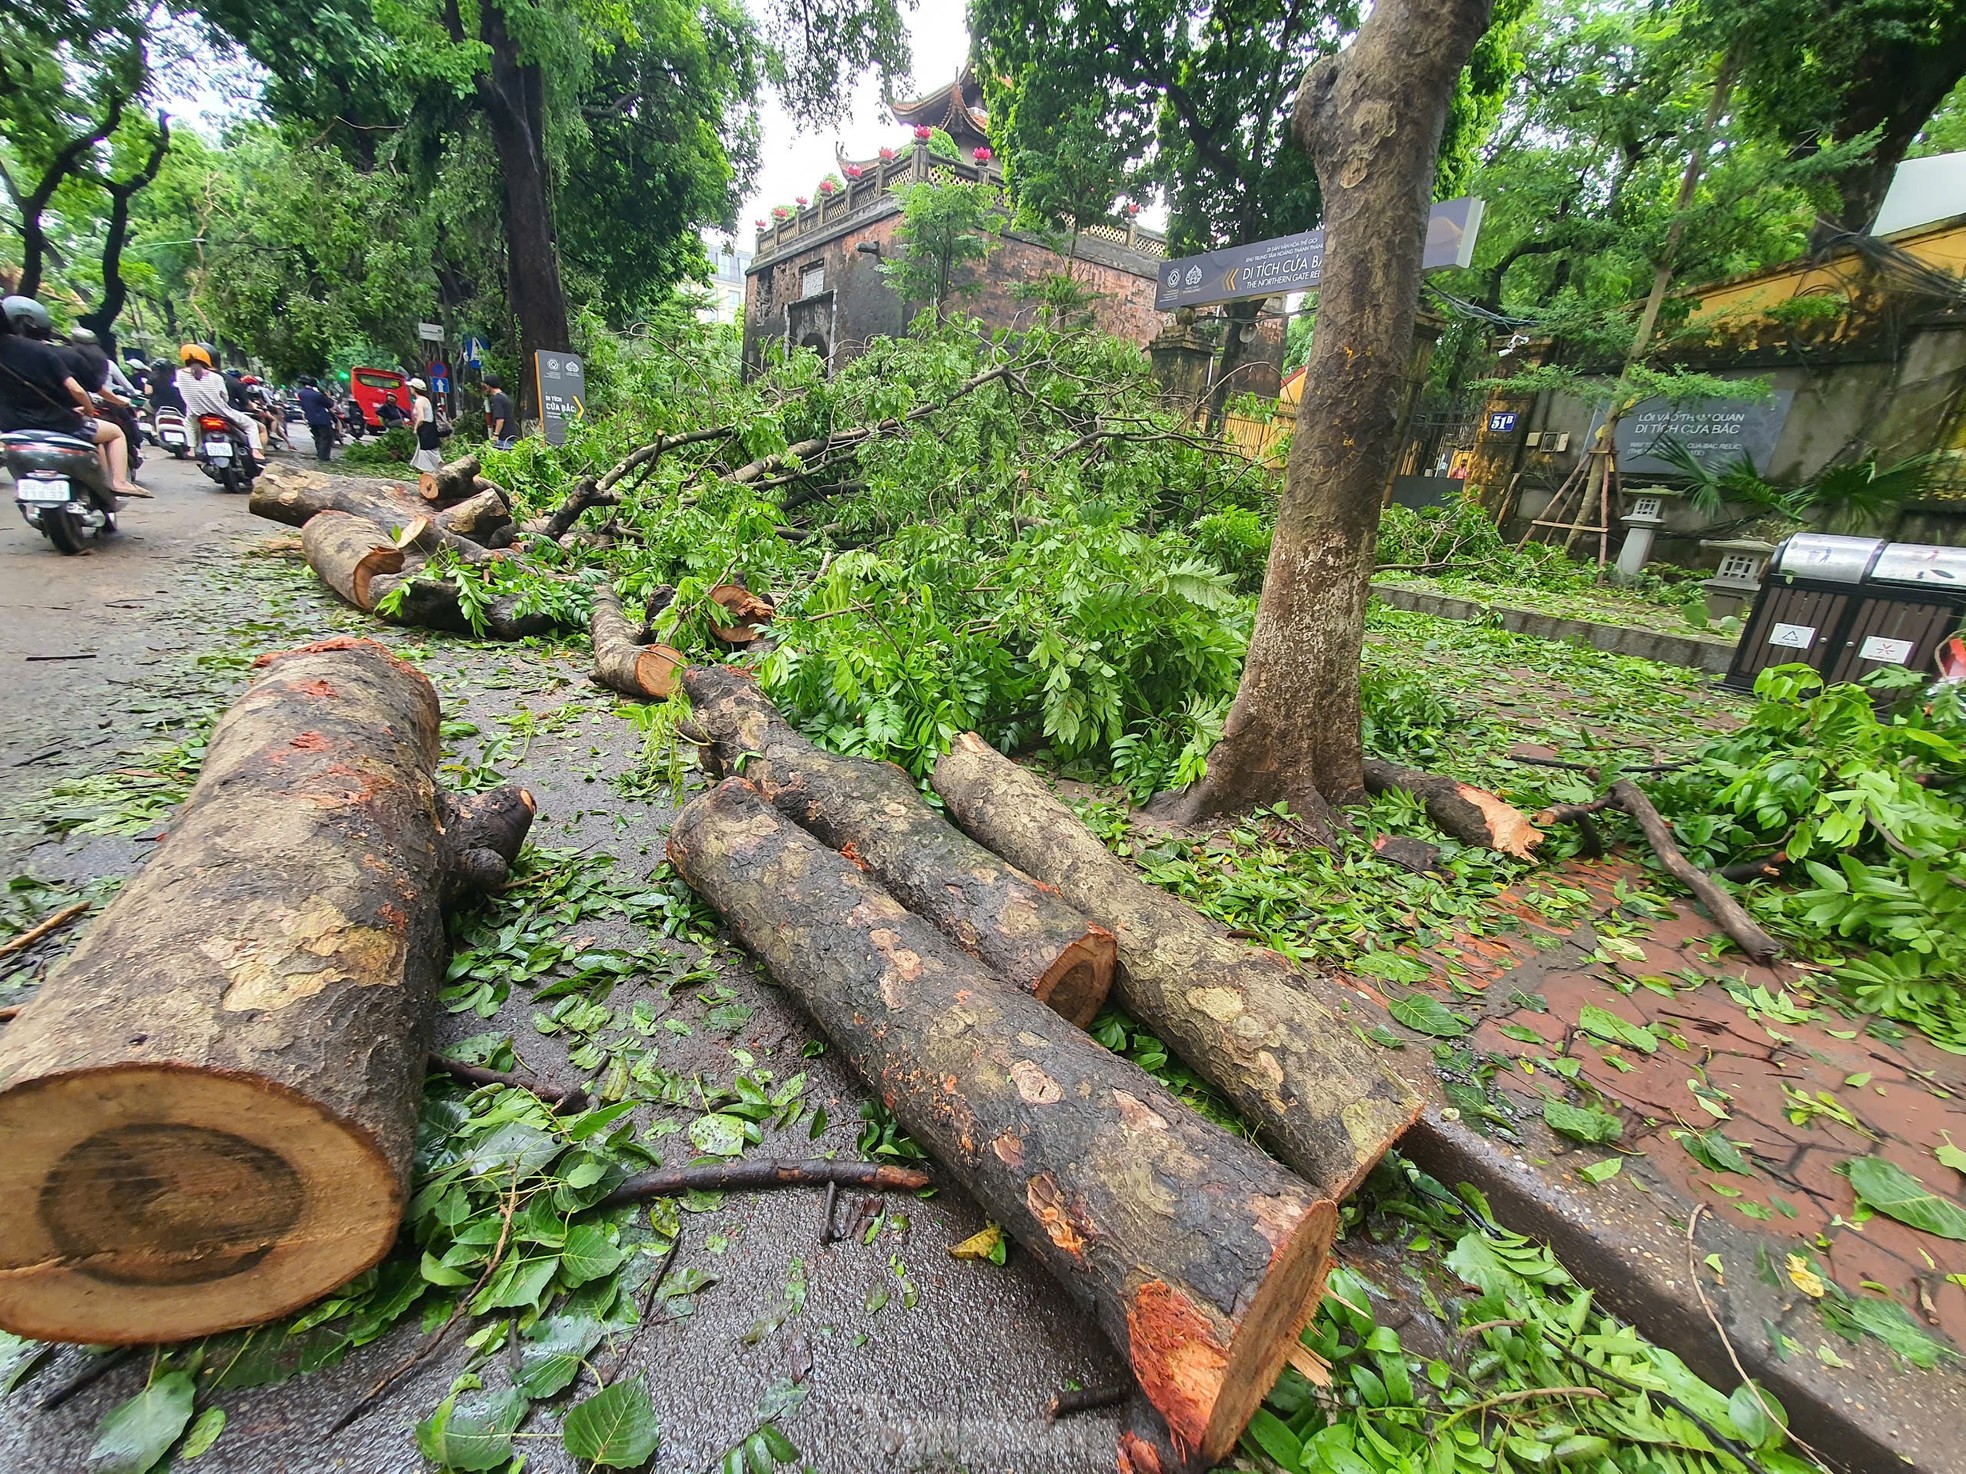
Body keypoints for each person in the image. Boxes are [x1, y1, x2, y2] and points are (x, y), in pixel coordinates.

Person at [0, 296, 141, 496]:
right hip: (59, 422)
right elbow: (78, 389)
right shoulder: (48, 352)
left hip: (11, 427)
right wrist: (89, 410)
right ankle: (118, 483)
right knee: (115, 432)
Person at [65, 327, 144, 475]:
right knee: (125, 428)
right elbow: (100, 389)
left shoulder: (66, 359)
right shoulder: (106, 363)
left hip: (76, 405)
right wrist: (122, 402)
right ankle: (124, 469)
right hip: (100, 404)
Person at [176, 344, 263, 461]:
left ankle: (191, 450)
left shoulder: (180, 375)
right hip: (221, 412)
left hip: (196, 413)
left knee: (188, 425)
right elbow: (224, 397)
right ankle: (256, 451)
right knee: (251, 425)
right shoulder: (216, 377)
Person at [296, 375, 337, 463]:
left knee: (317, 437)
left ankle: (319, 455)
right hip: (322, 419)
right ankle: (324, 458)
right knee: (326, 438)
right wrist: (329, 397)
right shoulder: (318, 395)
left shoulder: (301, 394)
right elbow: (331, 404)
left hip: (310, 419)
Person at [408, 376, 443, 474]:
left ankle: (430, 472)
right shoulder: (426, 399)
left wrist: (415, 428)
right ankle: (435, 470)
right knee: (432, 452)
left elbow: (421, 417)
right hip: (431, 429)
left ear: (414, 389)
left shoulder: (419, 401)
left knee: (426, 452)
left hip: (425, 430)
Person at [483, 374, 516, 449]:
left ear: (488, 385)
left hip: (504, 438)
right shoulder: (504, 396)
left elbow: (500, 419)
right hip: (511, 434)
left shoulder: (497, 399)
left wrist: (496, 435)